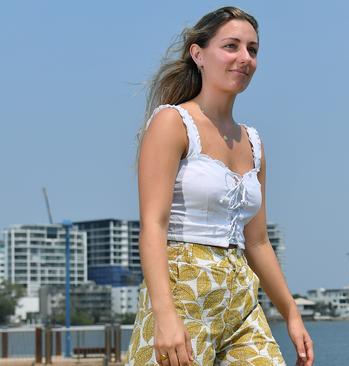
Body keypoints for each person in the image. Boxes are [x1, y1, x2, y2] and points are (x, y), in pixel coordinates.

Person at [126, 6, 314, 366]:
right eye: (231, 46)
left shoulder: (254, 142)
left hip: (241, 297)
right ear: (199, 54)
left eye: (253, 50)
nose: (244, 58)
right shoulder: (173, 122)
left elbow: (257, 240)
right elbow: (153, 225)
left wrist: (291, 312)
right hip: (183, 290)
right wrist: (164, 314)